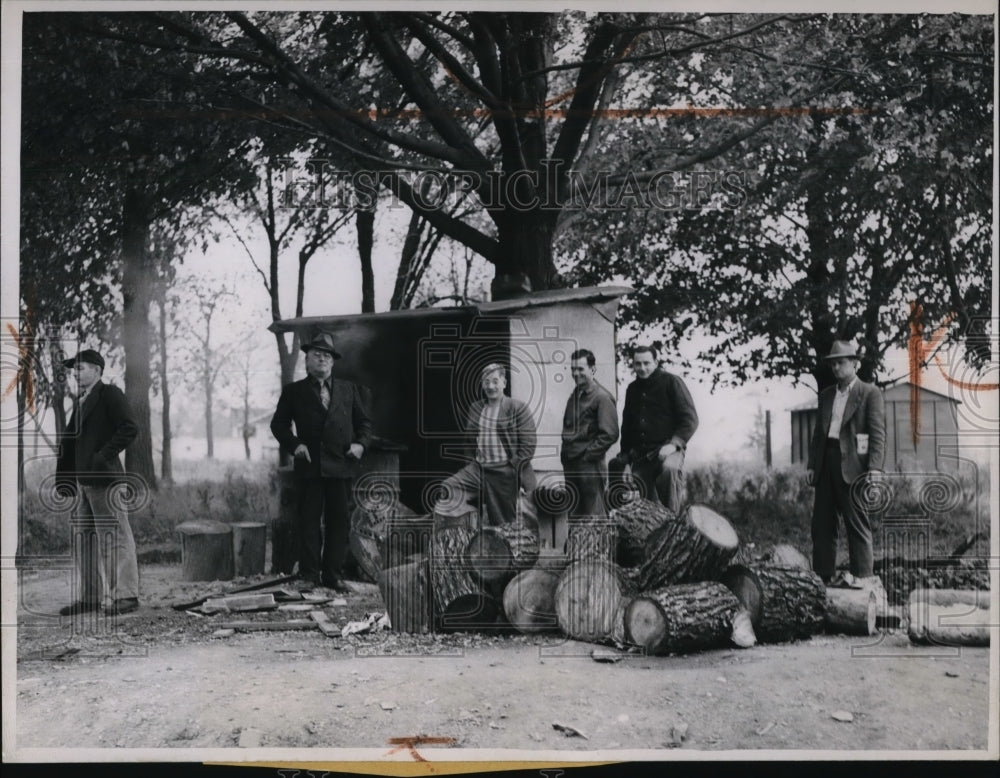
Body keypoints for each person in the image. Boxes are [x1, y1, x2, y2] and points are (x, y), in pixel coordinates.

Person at [270, 332, 373, 590]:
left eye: (327, 356)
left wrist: (361, 444)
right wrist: (295, 445)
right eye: (317, 355)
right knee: (309, 522)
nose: (322, 360)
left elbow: (364, 424)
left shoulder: (348, 390)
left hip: (341, 466)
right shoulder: (294, 391)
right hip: (310, 467)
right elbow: (278, 424)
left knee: (339, 522)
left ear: (333, 362)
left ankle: (332, 576)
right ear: (307, 360)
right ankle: (308, 576)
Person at [55, 348, 140, 616]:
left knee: (115, 537)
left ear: (97, 370)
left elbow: (129, 427)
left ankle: (126, 595)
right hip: (83, 483)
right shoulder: (82, 401)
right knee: (85, 540)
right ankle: (91, 596)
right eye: (73, 370)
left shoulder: (110, 394)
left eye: (80, 368)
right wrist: (68, 477)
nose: (75, 374)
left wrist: (103, 456)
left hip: (105, 480)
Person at [806, 340, 886, 584]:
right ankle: (823, 579)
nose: (836, 368)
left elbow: (877, 434)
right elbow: (818, 434)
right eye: (833, 364)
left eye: (841, 363)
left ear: (855, 364)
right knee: (822, 524)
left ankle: (864, 580)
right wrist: (812, 465)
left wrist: (874, 468)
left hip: (854, 467)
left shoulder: (869, 393)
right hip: (825, 464)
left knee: (857, 524)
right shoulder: (827, 395)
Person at [434, 363, 537, 527]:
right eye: (486, 382)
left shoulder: (517, 408)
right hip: (479, 469)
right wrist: (470, 464)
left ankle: (506, 547)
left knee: (504, 522)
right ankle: (465, 533)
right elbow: (468, 441)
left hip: (506, 470)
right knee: (450, 487)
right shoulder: (476, 408)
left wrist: (511, 470)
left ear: (504, 382)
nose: (491, 386)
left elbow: (528, 447)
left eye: (495, 381)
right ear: (482, 384)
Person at [609, 344, 698, 513]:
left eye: (646, 363)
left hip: (669, 449)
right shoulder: (632, 389)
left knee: (669, 470)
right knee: (623, 476)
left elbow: (690, 419)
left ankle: (671, 523)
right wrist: (626, 460)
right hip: (642, 455)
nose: (642, 368)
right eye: (637, 364)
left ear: (656, 362)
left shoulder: (672, 382)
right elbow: (627, 429)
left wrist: (674, 444)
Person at [560, 349, 619, 521]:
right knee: (574, 514)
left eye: (580, 369)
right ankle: (577, 548)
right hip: (571, 463)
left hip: (589, 465)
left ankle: (597, 549)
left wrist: (588, 456)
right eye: (573, 369)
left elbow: (610, 434)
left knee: (594, 516)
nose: (575, 373)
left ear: (592, 369)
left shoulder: (602, 397)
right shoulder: (576, 395)